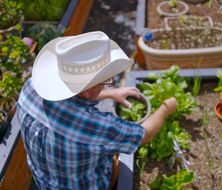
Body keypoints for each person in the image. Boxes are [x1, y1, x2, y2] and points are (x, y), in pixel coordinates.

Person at [17, 31, 177, 190]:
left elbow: (69, 106)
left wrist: (108, 93)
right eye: (106, 81)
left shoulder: (30, 88)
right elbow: (145, 134)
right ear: (89, 90)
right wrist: (166, 108)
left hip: (44, 182)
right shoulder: (95, 126)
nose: (108, 83)